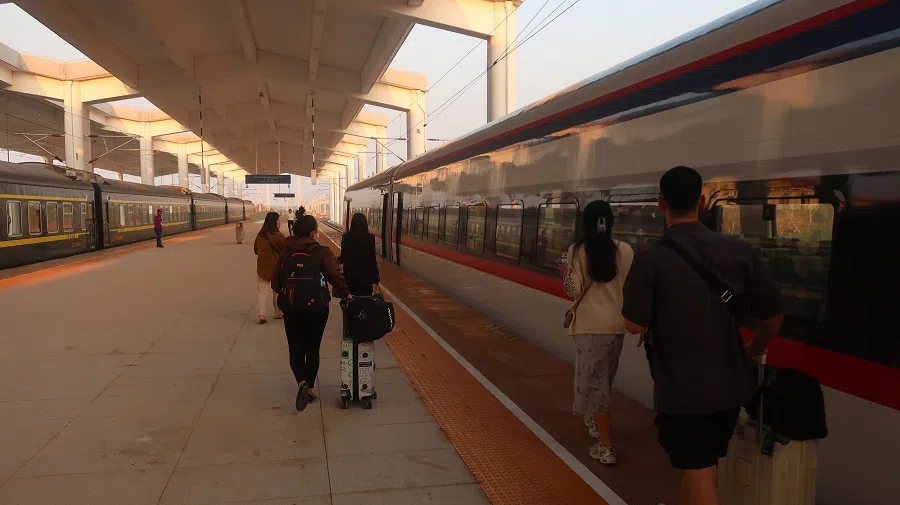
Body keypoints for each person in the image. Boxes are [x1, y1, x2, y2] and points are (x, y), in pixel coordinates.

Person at [621, 166, 784, 505]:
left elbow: (634, 325)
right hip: (729, 385)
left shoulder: (651, 261)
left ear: (660, 203)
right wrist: (755, 349)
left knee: (699, 472)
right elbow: (772, 316)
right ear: (703, 200)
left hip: (682, 390)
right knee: (701, 466)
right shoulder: (741, 251)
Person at [558, 200, 633, 465]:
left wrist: (564, 272)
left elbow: (573, 289)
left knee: (593, 383)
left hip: (589, 327)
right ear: (609, 221)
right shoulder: (625, 250)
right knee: (604, 380)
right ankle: (594, 423)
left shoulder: (577, 250)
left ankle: (606, 447)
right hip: (616, 326)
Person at [272, 215, 349, 412]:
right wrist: (346, 294)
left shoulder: (285, 253)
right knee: (312, 348)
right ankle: (311, 388)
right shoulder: (321, 252)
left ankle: (301, 383)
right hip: (317, 308)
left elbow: (275, 283)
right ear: (313, 232)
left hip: (291, 308)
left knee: (295, 347)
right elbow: (335, 276)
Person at [253, 212, 285, 324]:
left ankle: (262, 315)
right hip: (277, 268)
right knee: (277, 290)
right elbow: (285, 251)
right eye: (278, 221)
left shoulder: (260, 236)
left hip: (262, 267)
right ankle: (277, 312)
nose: (280, 223)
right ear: (274, 223)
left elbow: (256, 251)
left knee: (262, 291)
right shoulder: (279, 236)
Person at [339, 213, 380, 296]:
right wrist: (376, 278)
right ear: (365, 223)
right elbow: (372, 260)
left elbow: (343, 257)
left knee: (351, 302)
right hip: (366, 278)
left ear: (352, 223)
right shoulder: (370, 238)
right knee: (365, 301)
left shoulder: (346, 238)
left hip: (350, 277)